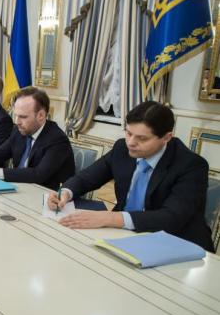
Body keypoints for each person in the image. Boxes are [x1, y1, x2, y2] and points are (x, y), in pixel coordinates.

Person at [47, 101, 213, 251]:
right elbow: (86, 178)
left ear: (166, 138)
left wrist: (110, 218)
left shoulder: (191, 165)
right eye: (128, 133)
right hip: (124, 235)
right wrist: (65, 193)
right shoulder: (122, 148)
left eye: (142, 138)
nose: (131, 142)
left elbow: (171, 218)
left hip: (175, 243)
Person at [0, 86, 74, 191]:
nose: (17, 122)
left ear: (41, 115)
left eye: (23, 117)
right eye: (16, 115)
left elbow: (38, 174)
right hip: (20, 190)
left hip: (47, 197)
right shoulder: (19, 131)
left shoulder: (57, 140)